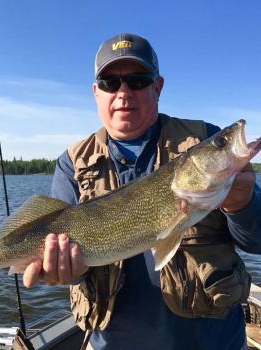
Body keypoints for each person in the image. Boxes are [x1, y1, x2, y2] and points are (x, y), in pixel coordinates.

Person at [22, 34, 261, 350]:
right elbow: (68, 263)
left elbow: (256, 241)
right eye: (110, 82)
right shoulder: (72, 163)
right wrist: (69, 272)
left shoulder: (203, 137)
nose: (123, 92)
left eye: (137, 80)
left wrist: (241, 203)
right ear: (96, 93)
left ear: (157, 87)